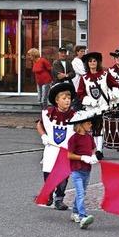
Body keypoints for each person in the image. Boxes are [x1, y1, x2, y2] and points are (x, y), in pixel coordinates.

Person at [35, 82, 76, 210]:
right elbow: (39, 124)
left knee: (63, 176)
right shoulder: (48, 113)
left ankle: (59, 199)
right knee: (48, 173)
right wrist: (43, 136)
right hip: (51, 149)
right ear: (57, 100)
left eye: (69, 98)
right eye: (64, 98)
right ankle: (49, 194)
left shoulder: (75, 116)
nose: (67, 101)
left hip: (65, 151)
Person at [77, 51, 117, 160]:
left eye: (94, 61)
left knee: (100, 128)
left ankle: (99, 150)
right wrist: (89, 101)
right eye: (90, 61)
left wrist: (112, 93)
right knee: (93, 129)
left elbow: (114, 85)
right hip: (91, 108)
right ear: (87, 64)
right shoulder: (84, 78)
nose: (92, 63)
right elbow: (80, 93)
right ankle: (96, 149)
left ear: (97, 62)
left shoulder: (105, 74)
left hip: (103, 107)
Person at [67, 110, 98, 229]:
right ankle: (82, 216)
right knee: (80, 193)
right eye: (89, 123)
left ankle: (74, 212)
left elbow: (94, 149)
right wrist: (82, 157)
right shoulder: (73, 139)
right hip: (76, 170)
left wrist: (94, 157)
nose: (91, 125)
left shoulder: (89, 138)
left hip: (87, 170)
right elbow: (69, 155)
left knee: (82, 193)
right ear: (81, 125)